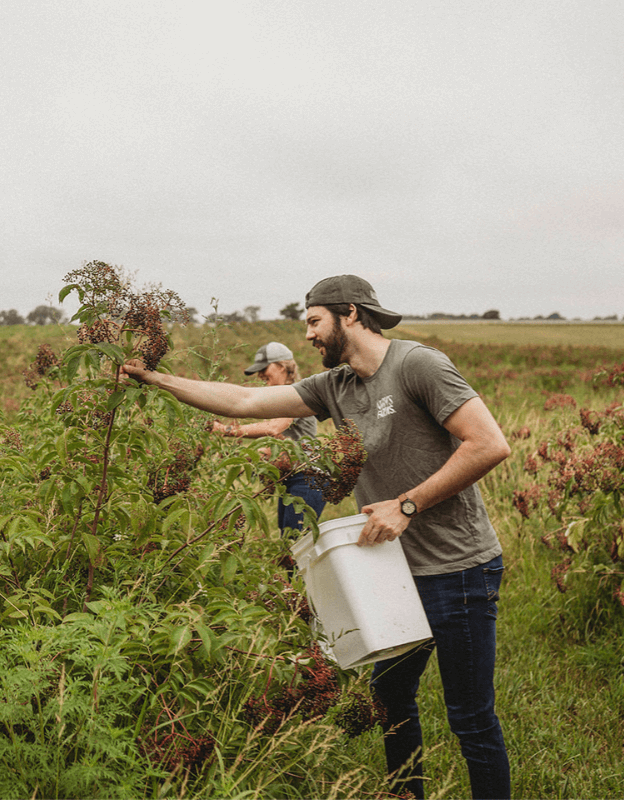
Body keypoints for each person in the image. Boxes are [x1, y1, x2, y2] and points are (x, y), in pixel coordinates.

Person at [124, 275, 511, 799]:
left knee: (469, 716)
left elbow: (488, 444)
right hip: (391, 571)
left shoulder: (418, 365)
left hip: (457, 569)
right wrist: (156, 379)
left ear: (349, 313)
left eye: (312, 321)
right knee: (392, 704)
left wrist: (407, 504)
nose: (306, 336)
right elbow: (241, 401)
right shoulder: (336, 386)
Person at [211, 341, 325, 534]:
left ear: (282, 367)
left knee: (295, 541)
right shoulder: (280, 400)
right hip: (291, 477)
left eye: (265, 369)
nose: (261, 375)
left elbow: (273, 429)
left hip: (307, 478)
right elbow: (277, 442)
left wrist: (226, 430)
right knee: (288, 539)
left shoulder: (297, 393)